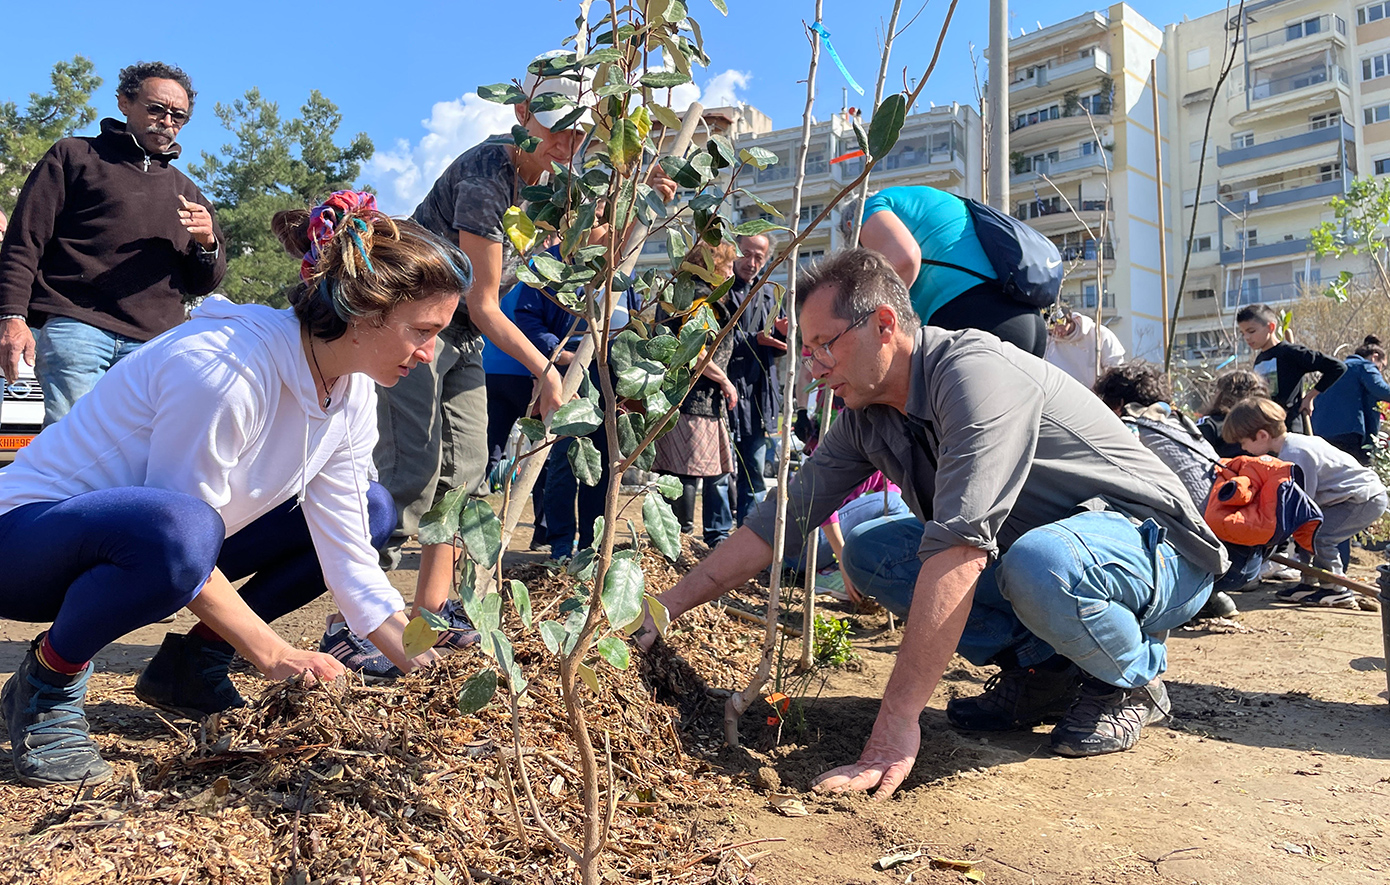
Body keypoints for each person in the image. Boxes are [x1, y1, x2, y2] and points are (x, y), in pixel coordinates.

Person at [636, 250, 1224, 794]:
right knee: (872, 552)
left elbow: (960, 548)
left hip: (1158, 551)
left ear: (883, 325)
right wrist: (660, 611)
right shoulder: (867, 415)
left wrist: (894, 724)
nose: (811, 367)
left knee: (1041, 565)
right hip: (1049, 559)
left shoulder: (973, 374)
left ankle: (1131, 679)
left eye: (823, 346)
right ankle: (1046, 669)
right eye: (805, 350)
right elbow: (779, 521)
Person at [0, 193, 463, 788]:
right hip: (26, 544)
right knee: (183, 529)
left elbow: (352, 563)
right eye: (422, 332)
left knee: (372, 510)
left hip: (160, 545)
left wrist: (436, 672)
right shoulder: (226, 370)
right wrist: (273, 654)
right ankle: (47, 682)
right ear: (364, 311)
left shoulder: (350, 394)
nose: (429, 356)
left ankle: (196, 662)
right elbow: (174, 539)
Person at [0, 62, 225, 423]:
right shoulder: (73, 156)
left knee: (139, 457)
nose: (167, 121)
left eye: (178, 116)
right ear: (124, 102)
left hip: (155, 346)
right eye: (157, 109)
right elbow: (24, 240)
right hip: (77, 328)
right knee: (73, 451)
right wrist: (12, 316)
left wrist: (207, 243)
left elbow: (203, 282)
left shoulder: (188, 192)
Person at [1094, 363, 1241, 619]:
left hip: (1203, 535)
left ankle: (1172, 593)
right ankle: (1210, 594)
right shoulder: (1178, 420)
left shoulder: (1130, 425)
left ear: (1116, 402)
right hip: (1233, 523)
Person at [1224, 397, 1388, 609]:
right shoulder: (1292, 445)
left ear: (1262, 435)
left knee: (1321, 537)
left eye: (1243, 441)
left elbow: (1303, 502)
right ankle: (1310, 583)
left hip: (1363, 498)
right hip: (1343, 498)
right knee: (1308, 532)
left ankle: (1338, 588)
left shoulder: (1296, 453)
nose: (1243, 448)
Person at [858, 185, 1048, 357]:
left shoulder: (868, 209)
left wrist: (877, 323)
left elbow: (904, 259)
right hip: (1027, 316)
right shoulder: (932, 199)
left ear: (851, 227)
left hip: (972, 317)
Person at [653, 239, 740, 547]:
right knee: (688, 471)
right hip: (693, 400)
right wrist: (725, 381)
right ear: (712, 268)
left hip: (693, 400)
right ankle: (685, 539)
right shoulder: (698, 301)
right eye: (728, 265)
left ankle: (701, 538)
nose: (733, 270)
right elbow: (695, 352)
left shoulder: (680, 295)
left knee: (704, 471)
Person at [725, 233, 785, 525]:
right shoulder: (719, 290)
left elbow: (780, 343)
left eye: (758, 257)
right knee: (721, 471)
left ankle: (750, 533)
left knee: (755, 470)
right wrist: (756, 339)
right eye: (745, 254)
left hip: (760, 394)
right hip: (723, 392)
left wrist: (785, 335)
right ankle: (718, 538)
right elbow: (713, 339)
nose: (751, 263)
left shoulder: (771, 295)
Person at [1235, 303, 1344, 434]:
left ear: (1270, 327)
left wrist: (1310, 397)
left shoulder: (1290, 352)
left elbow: (1337, 367)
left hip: (1291, 427)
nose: (1247, 337)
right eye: (1243, 333)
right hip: (1268, 427)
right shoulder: (1259, 360)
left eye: (1251, 331)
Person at [1311, 335, 1390, 465]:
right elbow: (1380, 389)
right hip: (1347, 434)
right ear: (1375, 357)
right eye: (1382, 366)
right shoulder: (1364, 366)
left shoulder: (1336, 370)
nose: (1380, 371)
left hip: (1320, 434)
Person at [1044, 306, 1125, 389]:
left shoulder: (1099, 334)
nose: (1058, 330)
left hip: (1097, 395)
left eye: (1061, 325)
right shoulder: (1047, 343)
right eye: (1052, 328)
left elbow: (1115, 368)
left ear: (1069, 319)